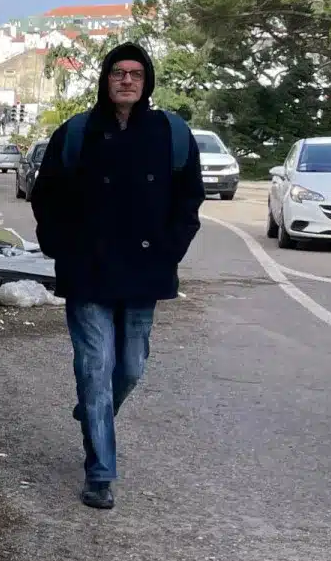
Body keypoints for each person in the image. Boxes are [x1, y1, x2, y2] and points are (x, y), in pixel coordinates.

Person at [31, 43, 203, 510]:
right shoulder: (78, 132)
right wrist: (60, 247)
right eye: (117, 73)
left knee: (130, 367)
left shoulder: (171, 133)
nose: (126, 80)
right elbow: (45, 196)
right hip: (89, 270)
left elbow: (190, 199)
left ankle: (92, 410)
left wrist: (171, 249)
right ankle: (101, 473)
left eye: (135, 73)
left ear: (146, 81)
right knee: (95, 367)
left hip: (146, 270)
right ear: (105, 80)